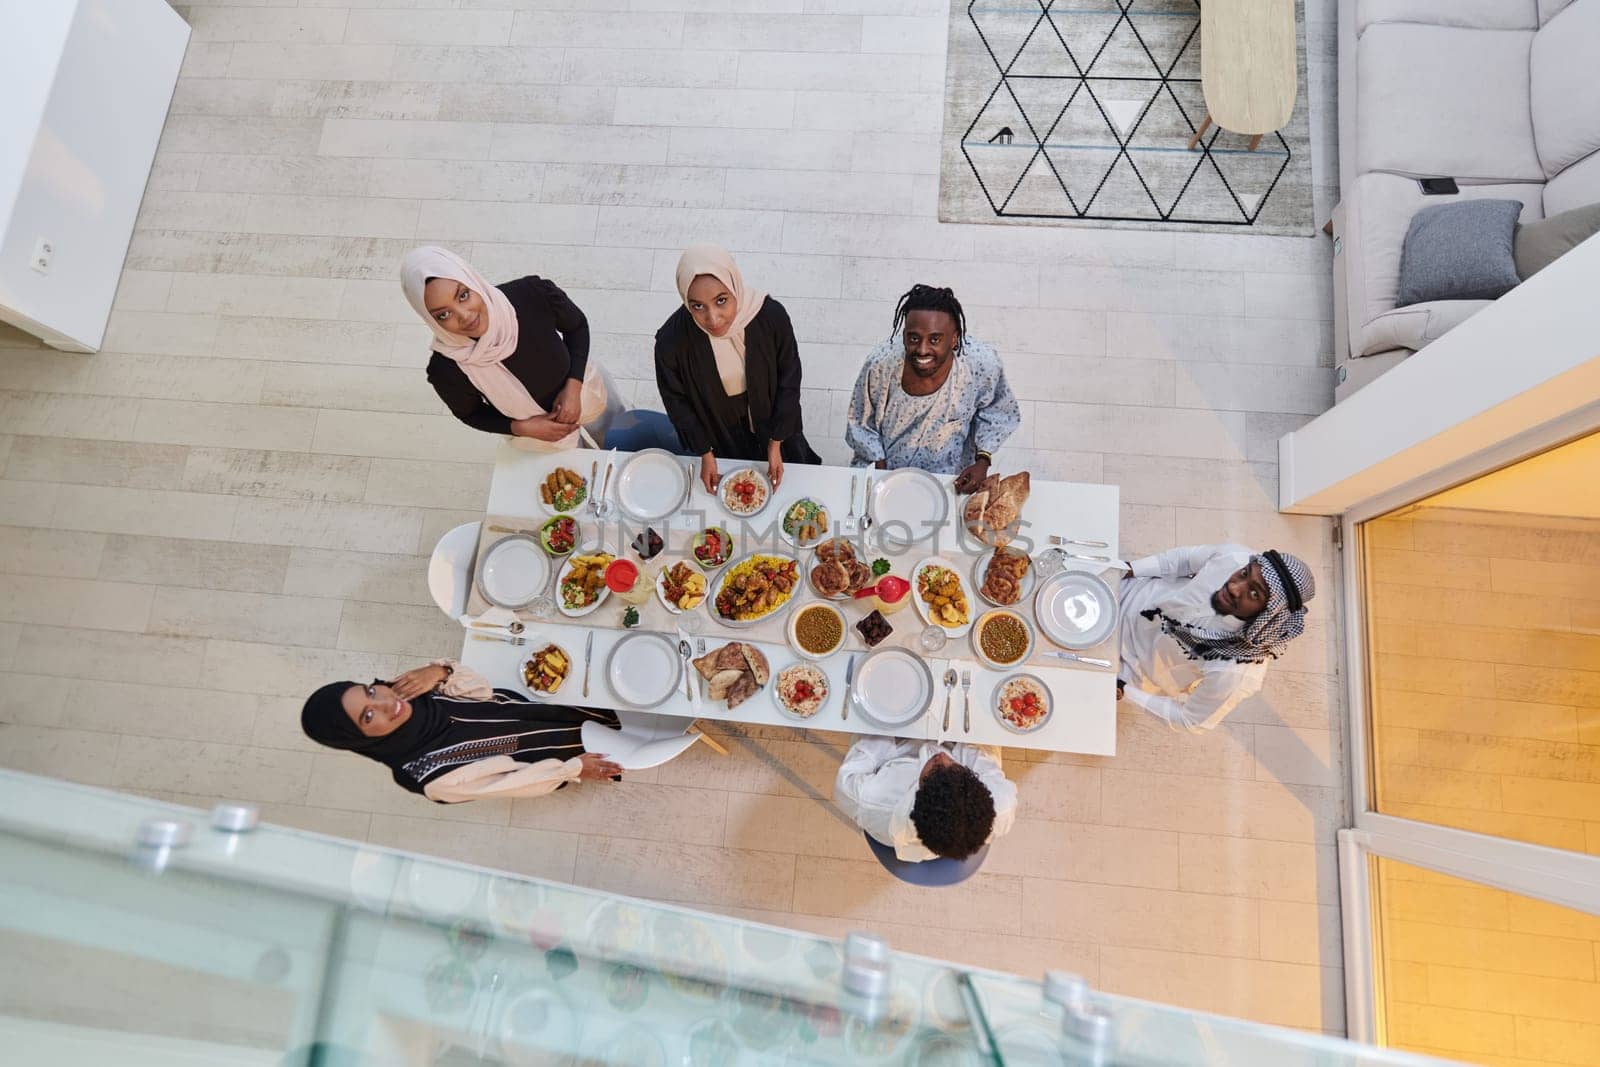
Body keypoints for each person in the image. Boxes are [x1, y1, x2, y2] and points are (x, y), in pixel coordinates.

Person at [301, 659, 624, 802]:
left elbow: (481, 693)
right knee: (627, 745)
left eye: (370, 692)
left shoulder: (403, 691)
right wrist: (575, 768)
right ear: (360, 739)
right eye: (368, 716)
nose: (386, 702)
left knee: (621, 708)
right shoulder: (432, 777)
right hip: (555, 756)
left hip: (538, 708)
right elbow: (512, 784)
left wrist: (440, 672)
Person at [400, 245, 620, 450]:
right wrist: (522, 428)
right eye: (444, 314)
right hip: (541, 437)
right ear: (429, 318)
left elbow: (576, 326)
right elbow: (470, 413)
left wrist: (573, 387)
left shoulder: (531, 294)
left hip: (586, 390)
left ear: (472, 281)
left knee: (622, 442)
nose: (465, 316)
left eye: (463, 295)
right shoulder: (446, 369)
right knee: (582, 476)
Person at [655, 244, 820, 494]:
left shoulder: (770, 317)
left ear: (735, 286)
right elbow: (677, 403)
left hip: (774, 423)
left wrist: (775, 444)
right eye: (697, 306)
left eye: (721, 301)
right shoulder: (671, 342)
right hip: (720, 430)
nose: (713, 318)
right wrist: (705, 452)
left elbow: (789, 379)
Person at [1117, 544, 1316, 733]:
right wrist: (1130, 569)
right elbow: (1184, 560)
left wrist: (1124, 691)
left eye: (1254, 593)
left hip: (1129, 668)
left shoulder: (1237, 668)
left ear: (1270, 614)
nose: (1235, 588)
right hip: (1127, 592)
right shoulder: (1234, 557)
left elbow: (1190, 719)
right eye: (1245, 573)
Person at [846, 284, 1020, 494]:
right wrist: (880, 472)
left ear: (954, 339)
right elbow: (860, 420)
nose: (922, 349)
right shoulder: (881, 365)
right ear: (904, 336)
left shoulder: (980, 365)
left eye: (935, 339)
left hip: (949, 480)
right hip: (887, 473)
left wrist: (982, 461)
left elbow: (998, 412)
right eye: (914, 338)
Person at [834, 738, 1016, 862]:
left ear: (917, 797)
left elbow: (851, 772)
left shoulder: (871, 798)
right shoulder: (1000, 804)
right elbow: (981, 753)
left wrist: (890, 731)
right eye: (955, 767)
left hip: (895, 745)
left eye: (934, 770)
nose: (942, 758)